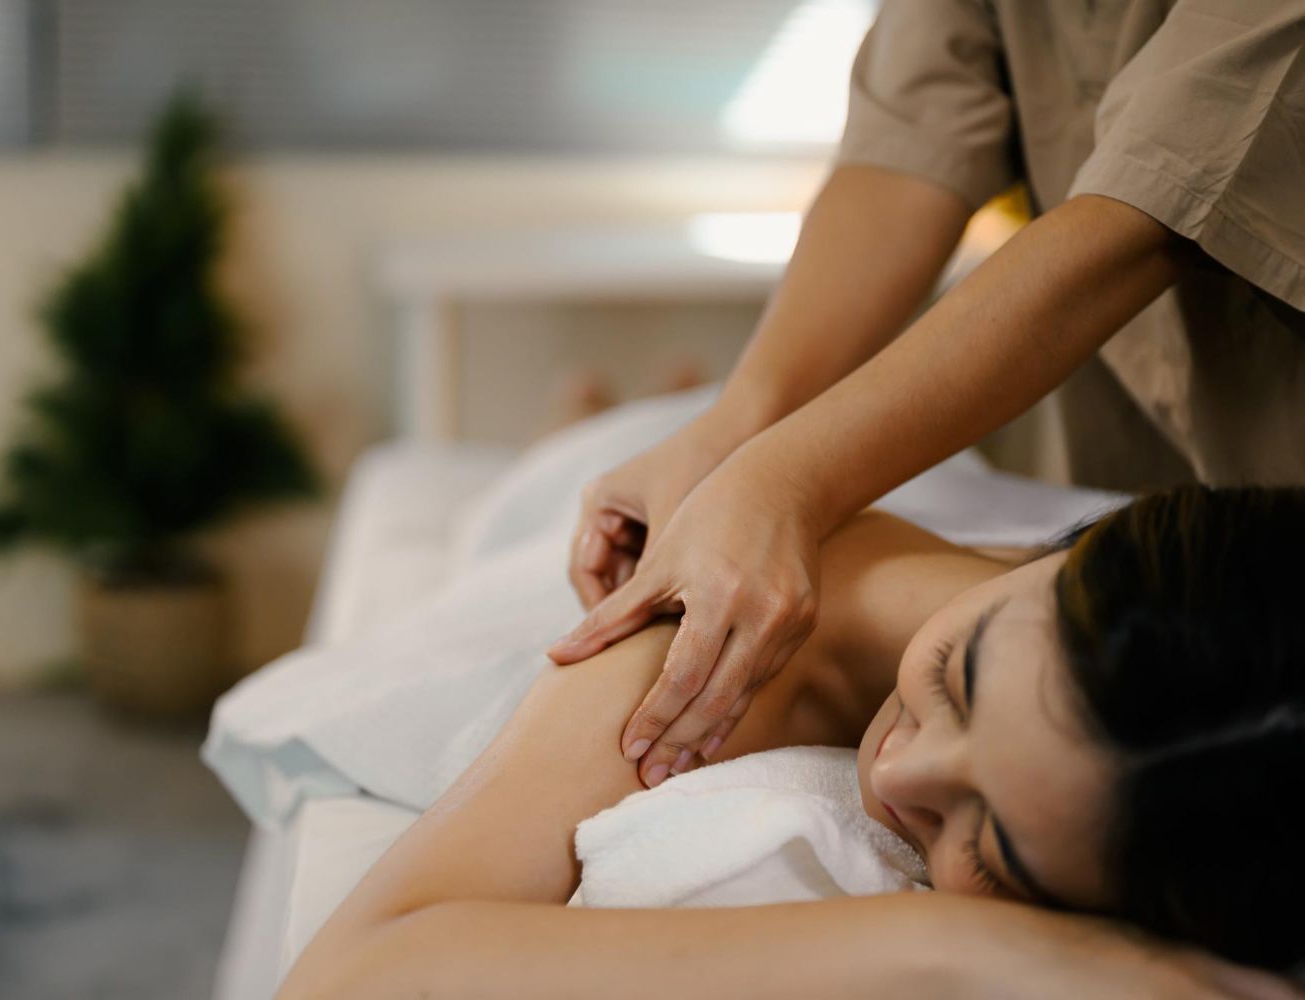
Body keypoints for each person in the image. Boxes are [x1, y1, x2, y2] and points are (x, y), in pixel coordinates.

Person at [550, 0, 1305, 788]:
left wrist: (780, 477)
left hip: (1266, 543)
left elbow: (1154, 205)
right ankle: (598, 425)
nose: (895, 781)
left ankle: (594, 423)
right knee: (637, 451)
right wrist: (736, 429)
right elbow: (910, 137)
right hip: (1120, 514)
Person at [276, 485, 1303, 998]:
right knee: (556, 500)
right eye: (957, 676)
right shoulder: (716, 650)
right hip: (643, 513)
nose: (898, 771)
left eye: (992, 852)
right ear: (1071, 555)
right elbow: (347, 981)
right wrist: (973, 941)